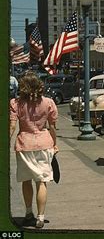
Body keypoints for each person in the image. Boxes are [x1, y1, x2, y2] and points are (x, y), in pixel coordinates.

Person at [9, 71, 59, 229]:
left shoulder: (16, 103)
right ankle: (40, 217)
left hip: (24, 144)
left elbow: (11, 126)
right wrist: (54, 144)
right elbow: (52, 127)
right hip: (44, 143)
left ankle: (28, 213)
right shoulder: (48, 102)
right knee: (41, 181)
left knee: (26, 180)